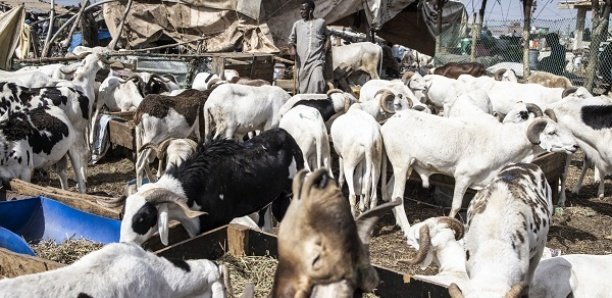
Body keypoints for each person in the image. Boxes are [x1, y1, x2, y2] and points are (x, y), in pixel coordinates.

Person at [288, 0, 331, 94]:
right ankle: (307, 103)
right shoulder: (297, 25)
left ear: (310, 10)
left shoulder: (321, 22)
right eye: (300, 9)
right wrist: (292, 49)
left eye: (303, 9)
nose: (301, 12)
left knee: (318, 81)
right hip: (302, 62)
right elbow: (291, 41)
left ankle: (317, 103)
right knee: (303, 88)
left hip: (317, 60)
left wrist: (327, 43)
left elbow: (328, 36)